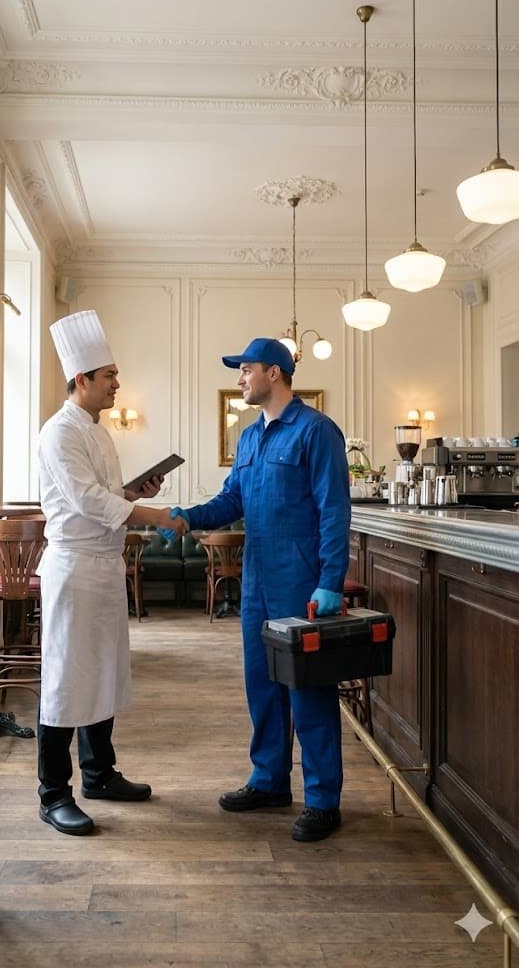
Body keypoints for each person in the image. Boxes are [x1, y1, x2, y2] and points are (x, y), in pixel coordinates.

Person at [168, 337, 350, 841]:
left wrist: (330, 581)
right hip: (257, 582)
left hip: (302, 582)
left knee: (309, 691)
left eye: (245, 369)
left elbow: (335, 511)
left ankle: (322, 799)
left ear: (274, 372)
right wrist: (186, 518)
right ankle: (270, 780)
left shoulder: (316, 431)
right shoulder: (249, 438)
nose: (240, 378)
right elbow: (230, 501)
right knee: (263, 685)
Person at [37, 309, 187, 836]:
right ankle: (53, 792)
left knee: (102, 671)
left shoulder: (97, 432)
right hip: (74, 568)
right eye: (110, 377)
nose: (117, 384)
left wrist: (134, 494)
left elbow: (104, 498)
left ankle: (99, 774)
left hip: (104, 568)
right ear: (82, 380)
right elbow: (84, 501)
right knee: (63, 679)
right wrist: (154, 515)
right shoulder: (58, 433)